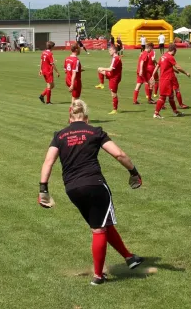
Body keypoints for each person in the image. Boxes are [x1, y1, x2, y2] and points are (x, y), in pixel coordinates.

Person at [38, 99, 144, 285]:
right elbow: (119, 154)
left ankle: (129, 257)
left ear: (69, 117)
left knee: (102, 223)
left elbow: (48, 162)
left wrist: (43, 189)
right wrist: (133, 172)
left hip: (72, 189)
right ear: (86, 118)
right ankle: (98, 276)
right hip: (95, 186)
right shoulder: (95, 132)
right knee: (99, 229)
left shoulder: (59, 136)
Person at [151, 43, 190, 119]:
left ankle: (175, 111)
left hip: (166, 79)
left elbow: (158, 65)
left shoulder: (163, 55)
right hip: (166, 79)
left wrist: (153, 75)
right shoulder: (170, 57)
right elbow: (178, 67)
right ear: (174, 50)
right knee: (163, 97)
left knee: (171, 97)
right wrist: (186, 73)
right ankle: (156, 113)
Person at [95, 46, 123, 114]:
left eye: (110, 50)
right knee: (99, 70)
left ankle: (115, 110)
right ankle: (101, 84)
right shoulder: (115, 58)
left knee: (113, 94)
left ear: (114, 50)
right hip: (112, 75)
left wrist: (103, 68)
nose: (109, 51)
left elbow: (110, 69)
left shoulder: (116, 58)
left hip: (114, 77)